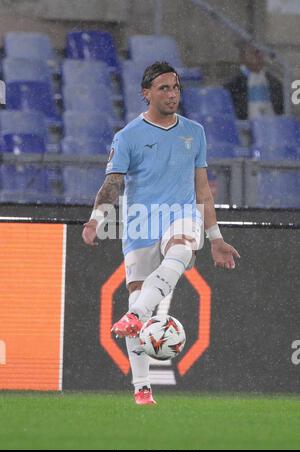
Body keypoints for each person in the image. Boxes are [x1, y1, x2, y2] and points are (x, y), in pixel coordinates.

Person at [82, 61, 240, 405]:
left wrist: (215, 238)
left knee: (183, 248)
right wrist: (95, 220)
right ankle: (142, 387)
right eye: (164, 88)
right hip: (140, 223)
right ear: (146, 94)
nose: (173, 95)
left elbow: (202, 190)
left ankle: (137, 316)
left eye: (177, 88)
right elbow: (112, 184)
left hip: (180, 215)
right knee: (135, 296)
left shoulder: (194, 132)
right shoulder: (127, 137)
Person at [224, 42, 284, 120]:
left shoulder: (274, 83)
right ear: (242, 58)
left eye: (260, 53)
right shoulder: (232, 85)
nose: (259, 56)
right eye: (254, 53)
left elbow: (281, 110)